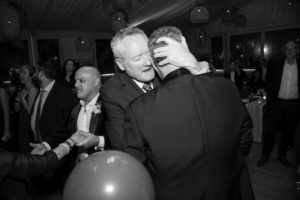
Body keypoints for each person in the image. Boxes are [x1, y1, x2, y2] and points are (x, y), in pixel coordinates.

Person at [122, 26, 254, 200]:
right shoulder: (227, 87)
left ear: (154, 63)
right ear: (184, 48)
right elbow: (245, 141)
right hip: (230, 190)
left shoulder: (139, 108)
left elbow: (135, 170)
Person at [0, 66, 111, 199]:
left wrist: (98, 141)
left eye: (81, 81)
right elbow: (63, 130)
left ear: (97, 82)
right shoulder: (75, 106)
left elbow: (120, 138)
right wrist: (45, 145)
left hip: (104, 171)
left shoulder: (110, 106)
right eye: (75, 81)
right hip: (76, 171)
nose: (75, 85)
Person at [100, 26, 210, 149]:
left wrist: (198, 68)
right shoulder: (112, 91)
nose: (148, 62)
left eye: (148, 54)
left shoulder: (168, 70)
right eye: (137, 58)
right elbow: (123, 145)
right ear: (120, 64)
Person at [257, 41, 300, 167]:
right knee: (271, 130)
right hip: (277, 103)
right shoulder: (276, 64)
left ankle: (282, 155)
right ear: (284, 50)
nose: (289, 50)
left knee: (288, 131)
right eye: (287, 48)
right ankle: (265, 155)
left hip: (293, 105)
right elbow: (269, 83)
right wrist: (270, 103)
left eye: (292, 48)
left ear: (297, 50)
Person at [29, 61, 77, 155]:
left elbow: (68, 124)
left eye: (35, 72)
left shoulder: (65, 93)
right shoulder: (40, 92)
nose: (32, 75)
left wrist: (48, 144)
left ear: (41, 74)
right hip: (39, 145)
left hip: (55, 148)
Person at [15, 65, 38, 153]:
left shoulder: (33, 89)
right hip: (22, 120)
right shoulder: (23, 89)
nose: (21, 75)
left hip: (28, 123)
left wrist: (22, 98)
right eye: (21, 73)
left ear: (31, 76)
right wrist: (17, 100)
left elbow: (30, 111)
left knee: (28, 149)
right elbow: (16, 109)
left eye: (24, 73)